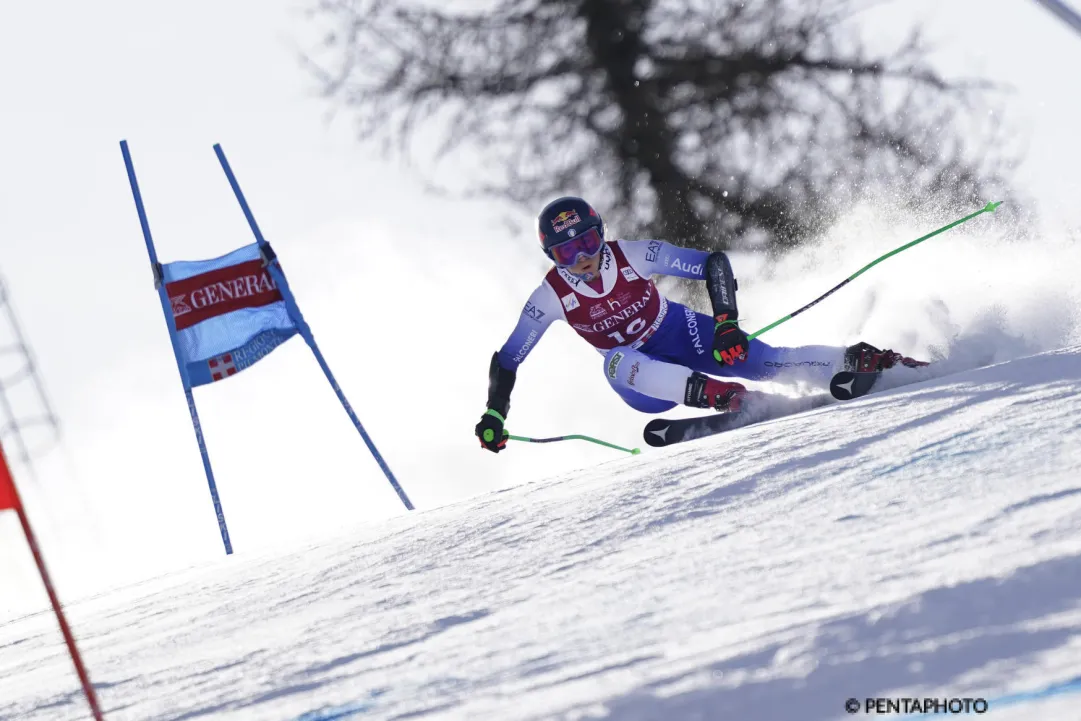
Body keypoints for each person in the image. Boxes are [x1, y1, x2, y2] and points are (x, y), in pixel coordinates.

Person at [475, 196, 926, 452]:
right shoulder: (550, 296)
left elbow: (711, 264)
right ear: (552, 258)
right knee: (614, 361)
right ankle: (726, 398)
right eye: (567, 253)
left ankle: (862, 358)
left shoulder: (635, 254)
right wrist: (496, 411)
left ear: (602, 233)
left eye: (589, 241)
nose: (584, 257)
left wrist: (727, 323)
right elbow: (510, 358)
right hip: (643, 383)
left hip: (677, 330)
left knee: (763, 361)